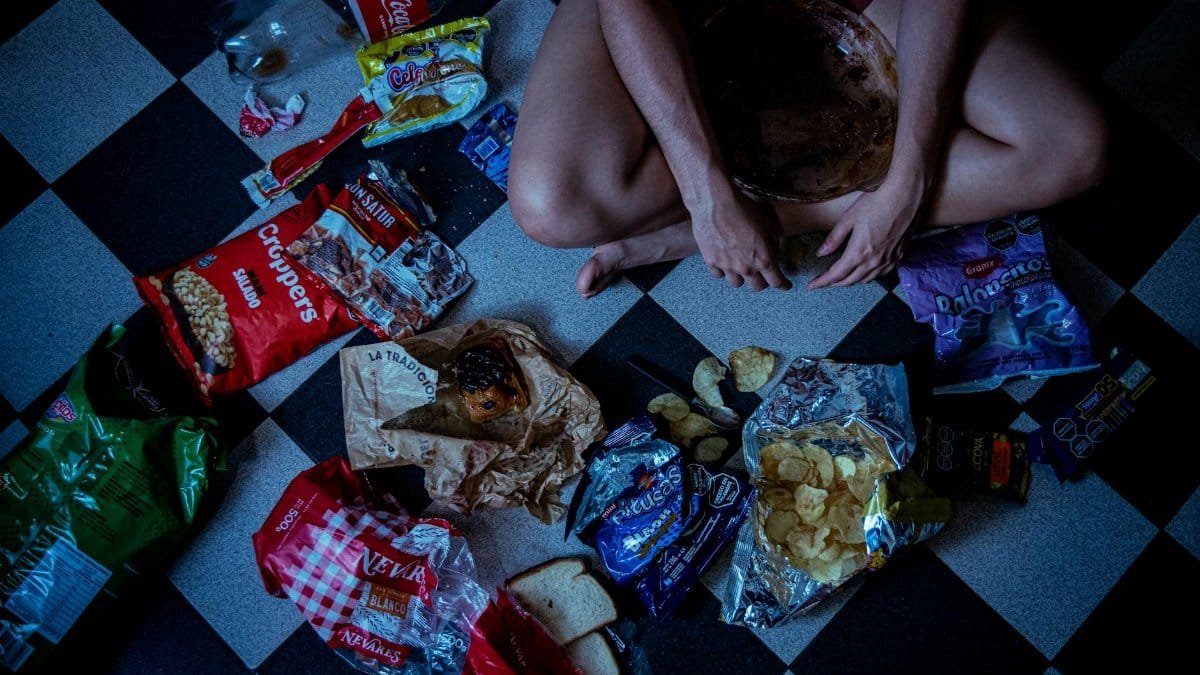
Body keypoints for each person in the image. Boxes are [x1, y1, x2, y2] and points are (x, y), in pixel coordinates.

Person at [508, 0, 1109, 298]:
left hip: (866, 4)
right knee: (551, 206)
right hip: (686, 15)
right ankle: (729, 215)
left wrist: (904, 185)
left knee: (1071, 148)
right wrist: (708, 194)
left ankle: (790, 216)